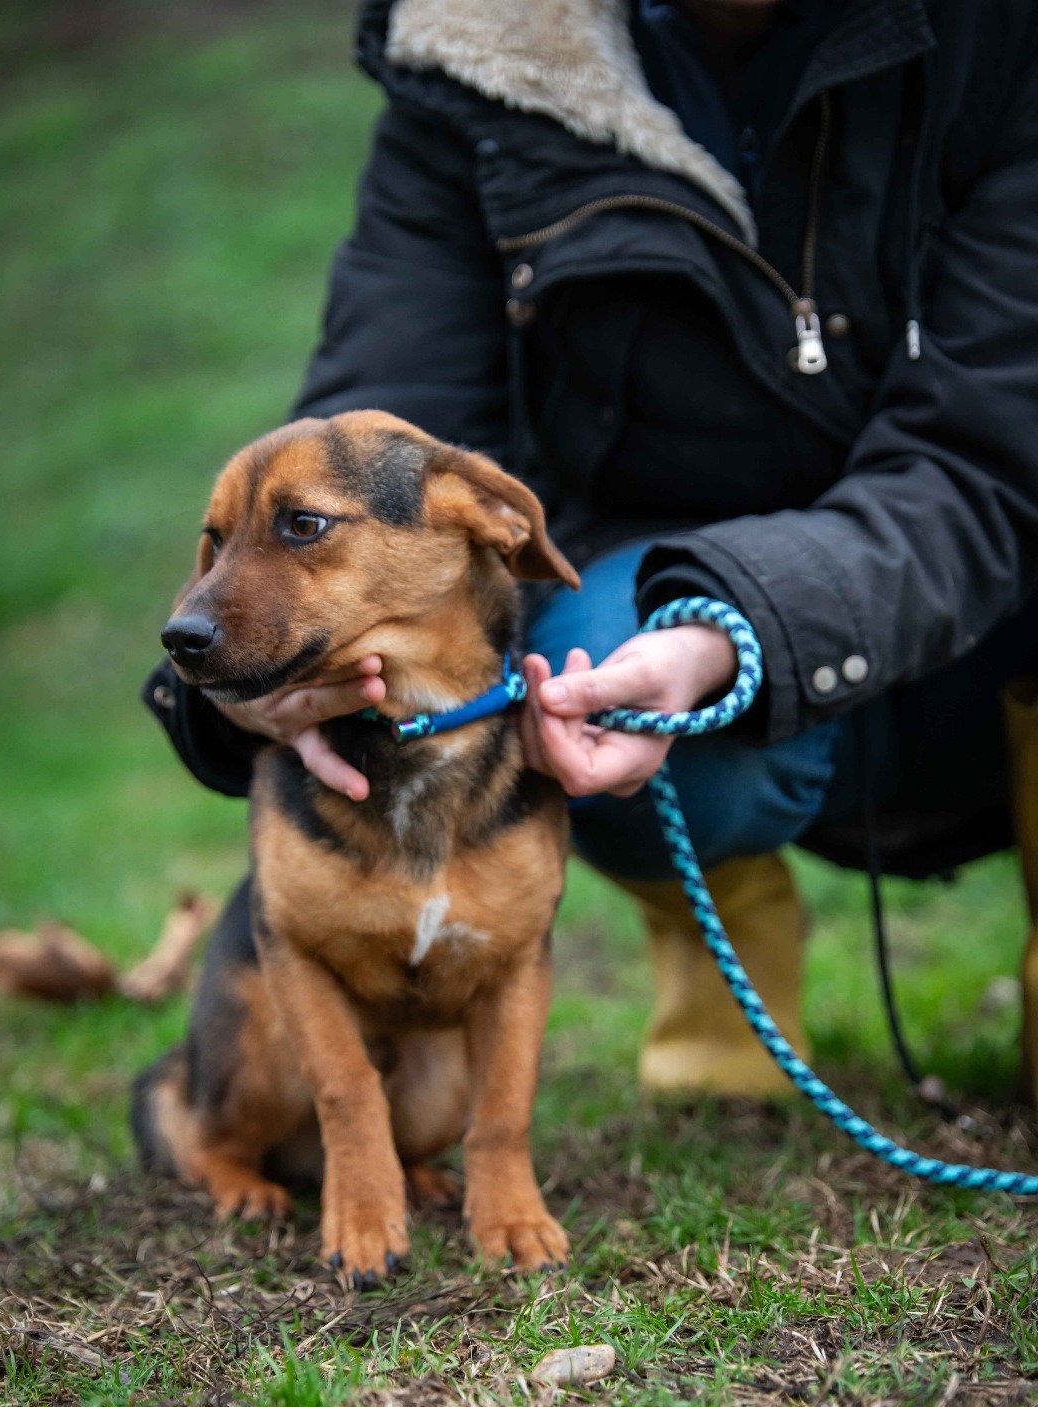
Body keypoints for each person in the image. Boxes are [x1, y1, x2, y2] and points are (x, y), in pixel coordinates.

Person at [145, 0, 1038, 1102]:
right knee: (586, 655)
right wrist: (249, 672)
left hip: (988, 601)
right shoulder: (475, 43)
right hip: (658, 605)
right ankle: (723, 953)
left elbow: (992, 456)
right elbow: (364, 441)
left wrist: (748, 625)